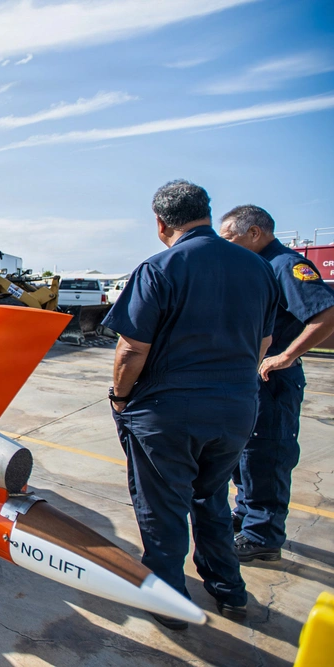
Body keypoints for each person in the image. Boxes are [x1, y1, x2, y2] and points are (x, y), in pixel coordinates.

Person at [102, 180, 279, 629]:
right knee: (213, 497)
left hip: (168, 412)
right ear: (206, 212)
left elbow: (130, 349)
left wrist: (120, 398)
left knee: (162, 510)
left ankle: (170, 602)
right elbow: (264, 342)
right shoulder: (258, 269)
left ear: (161, 223)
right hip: (237, 409)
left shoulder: (160, 267)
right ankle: (229, 591)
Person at [219, 205, 334, 563]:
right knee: (244, 455)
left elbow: (326, 313)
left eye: (230, 238)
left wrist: (286, 355)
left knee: (267, 455)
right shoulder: (254, 266)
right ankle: (247, 517)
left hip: (273, 380)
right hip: (247, 380)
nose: (226, 246)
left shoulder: (285, 266)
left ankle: (263, 535)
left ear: (254, 233)